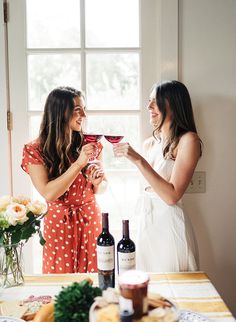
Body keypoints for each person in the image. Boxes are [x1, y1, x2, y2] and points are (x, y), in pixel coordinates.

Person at [113, 80, 201, 272]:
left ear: (174, 105)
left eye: (155, 101)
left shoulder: (189, 141)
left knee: (175, 286)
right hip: (146, 222)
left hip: (170, 226)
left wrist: (138, 160)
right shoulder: (149, 144)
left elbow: (172, 196)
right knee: (148, 287)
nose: (149, 106)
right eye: (149, 101)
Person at [21, 86, 106, 274]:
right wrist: (78, 164)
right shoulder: (34, 150)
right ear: (60, 112)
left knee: (93, 278)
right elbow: (49, 193)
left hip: (90, 218)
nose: (83, 114)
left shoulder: (91, 143)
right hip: (59, 222)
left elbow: (102, 186)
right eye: (77, 109)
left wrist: (98, 182)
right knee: (59, 281)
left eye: (84, 108)